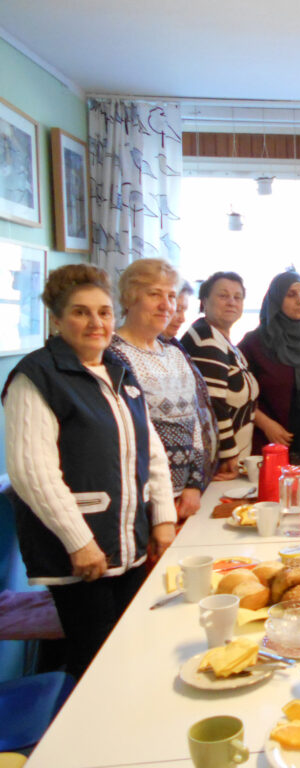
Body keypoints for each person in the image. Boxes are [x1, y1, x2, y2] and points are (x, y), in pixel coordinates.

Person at [3, 264, 176, 679]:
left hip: (127, 543)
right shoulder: (36, 377)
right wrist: (79, 541)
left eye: (103, 312)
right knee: (95, 664)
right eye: (81, 312)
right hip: (81, 552)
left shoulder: (117, 371)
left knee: (131, 647)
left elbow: (149, 447)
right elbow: (32, 472)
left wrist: (163, 518)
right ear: (58, 320)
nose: (95, 322)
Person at [108, 259, 207, 526]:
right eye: (154, 294)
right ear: (129, 299)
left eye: (171, 296)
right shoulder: (112, 356)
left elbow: (195, 424)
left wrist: (194, 485)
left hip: (185, 501)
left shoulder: (175, 354)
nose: (166, 305)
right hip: (139, 505)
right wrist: (159, 506)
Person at [239, 269, 300, 463]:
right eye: (291, 295)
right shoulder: (255, 343)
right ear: (276, 301)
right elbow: (237, 395)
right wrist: (266, 424)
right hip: (270, 443)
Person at [182, 271, 259, 480]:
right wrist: (228, 457)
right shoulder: (207, 340)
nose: (231, 302)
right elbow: (214, 404)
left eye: (237, 297)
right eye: (223, 296)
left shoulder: (222, 340)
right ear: (204, 300)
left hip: (231, 461)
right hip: (220, 465)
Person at [160, 280, 219, 486]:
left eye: (183, 310)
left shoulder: (173, 347)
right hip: (167, 484)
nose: (181, 318)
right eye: (177, 310)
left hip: (194, 476)